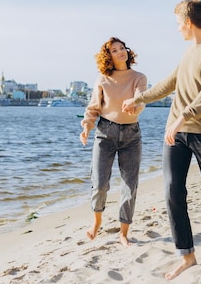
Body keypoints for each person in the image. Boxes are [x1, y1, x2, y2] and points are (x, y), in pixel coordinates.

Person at [122, 0, 201, 280]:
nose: (177, 30)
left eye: (177, 24)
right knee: (172, 192)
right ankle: (187, 255)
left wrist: (185, 115)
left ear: (188, 22)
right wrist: (138, 98)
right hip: (177, 133)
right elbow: (169, 83)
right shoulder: (187, 52)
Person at [80, 37, 147, 247]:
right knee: (100, 184)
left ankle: (123, 232)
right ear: (108, 56)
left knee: (130, 185)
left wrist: (134, 104)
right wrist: (86, 127)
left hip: (131, 135)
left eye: (122, 48)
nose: (120, 52)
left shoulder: (139, 77)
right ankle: (96, 222)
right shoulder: (102, 79)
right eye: (115, 50)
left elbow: (141, 97)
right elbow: (93, 108)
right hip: (105, 133)